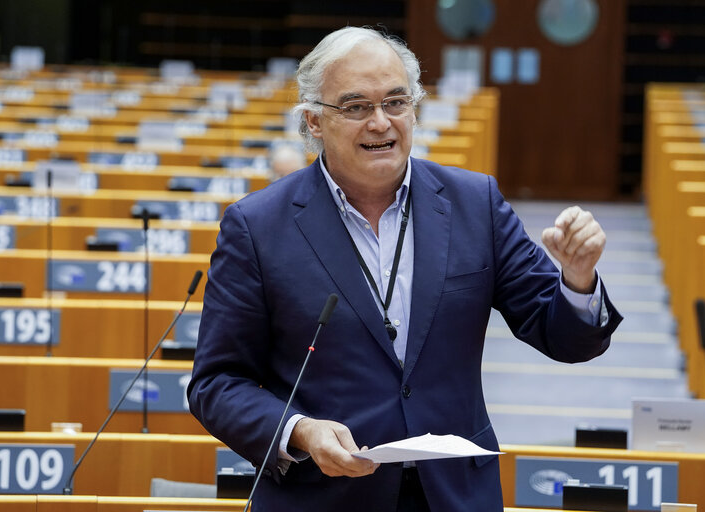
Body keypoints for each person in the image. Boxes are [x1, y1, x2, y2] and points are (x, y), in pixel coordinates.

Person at [188, 27, 622, 512]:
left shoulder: (474, 204)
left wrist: (578, 280)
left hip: (454, 493)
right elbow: (217, 383)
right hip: (323, 494)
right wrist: (301, 431)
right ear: (313, 122)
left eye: (396, 102)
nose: (381, 122)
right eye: (355, 107)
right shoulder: (257, 226)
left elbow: (565, 338)